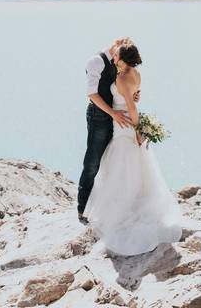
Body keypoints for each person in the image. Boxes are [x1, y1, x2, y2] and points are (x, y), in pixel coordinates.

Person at [82, 42, 184, 256]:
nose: (113, 56)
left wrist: (138, 131)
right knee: (134, 167)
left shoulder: (120, 77)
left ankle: (122, 210)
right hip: (123, 123)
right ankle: (133, 203)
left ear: (122, 59)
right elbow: (134, 94)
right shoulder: (135, 73)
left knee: (120, 167)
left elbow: (131, 106)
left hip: (124, 126)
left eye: (116, 55)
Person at [77, 37, 136, 224]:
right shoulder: (96, 61)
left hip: (116, 120)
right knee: (93, 162)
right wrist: (113, 113)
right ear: (116, 45)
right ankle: (82, 209)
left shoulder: (118, 62)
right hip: (99, 117)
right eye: (120, 52)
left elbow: (120, 87)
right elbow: (92, 94)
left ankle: (109, 207)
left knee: (113, 162)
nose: (120, 58)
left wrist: (132, 94)